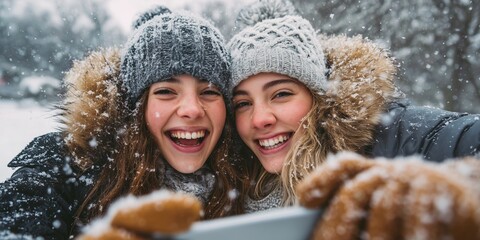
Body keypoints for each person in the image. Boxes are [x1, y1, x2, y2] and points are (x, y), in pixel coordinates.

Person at [227, 0, 480, 238]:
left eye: (281, 94)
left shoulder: (393, 137)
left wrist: (447, 189)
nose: (260, 119)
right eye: (243, 103)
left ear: (318, 96)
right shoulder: (230, 187)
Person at [0, 6, 245, 240]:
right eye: (166, 91)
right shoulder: (67, 163)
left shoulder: (247, 173)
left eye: (210, 91)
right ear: (136, 106)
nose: (192, 109)